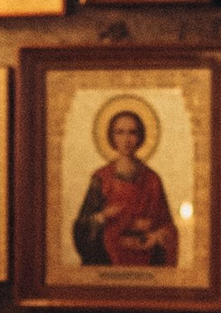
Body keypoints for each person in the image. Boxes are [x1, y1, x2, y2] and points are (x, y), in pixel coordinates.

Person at [70, 104, 179, 268]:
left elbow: (167, 226)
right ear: (111, 137)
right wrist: (103, 216)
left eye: (132, 132)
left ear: (140, 137)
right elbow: (82, 227)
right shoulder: (101, 178)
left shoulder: (152, 180)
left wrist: (157, 235)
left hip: (146, 260)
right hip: (107, 259)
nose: (126, 139)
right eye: (119, 132)